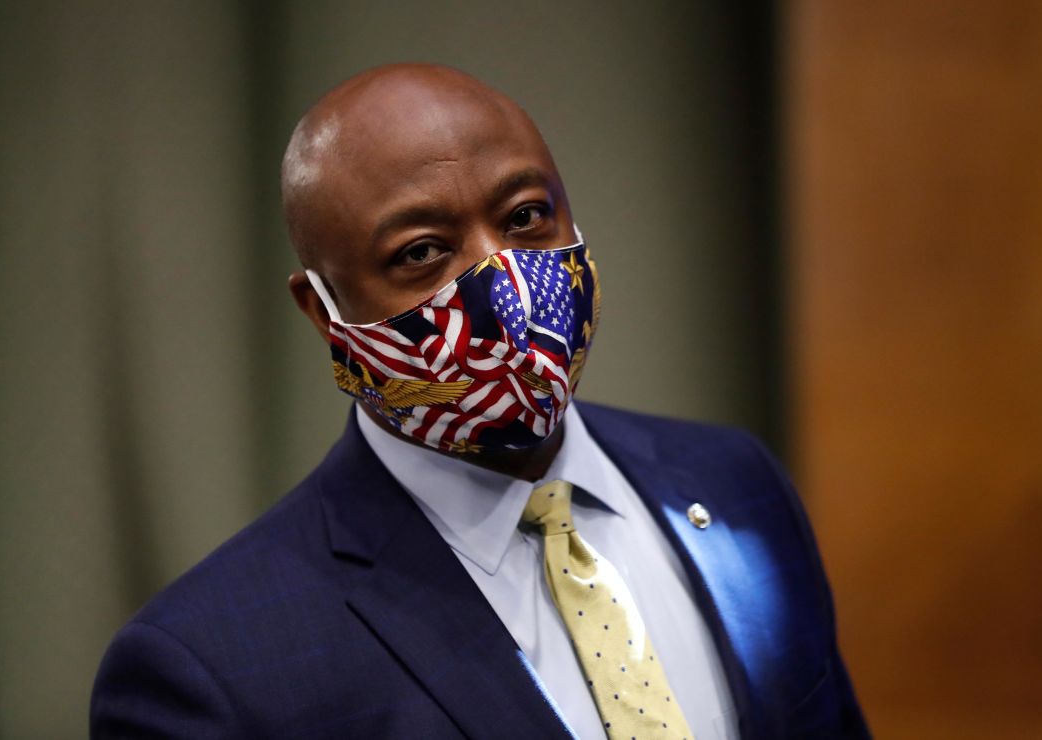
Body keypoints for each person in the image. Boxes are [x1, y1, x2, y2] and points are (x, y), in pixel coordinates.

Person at [91, 63, 868, 739]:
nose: (505, 286)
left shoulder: (737, 486)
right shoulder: (214, 668)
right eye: (422, 252)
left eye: (527, 216)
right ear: (323, 312)